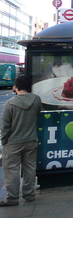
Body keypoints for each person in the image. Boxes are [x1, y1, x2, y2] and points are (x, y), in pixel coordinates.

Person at [0, 75, 43, 206]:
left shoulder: (10, 103)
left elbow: (5, 126)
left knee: (12, 169)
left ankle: (12, 198)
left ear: (16, 86)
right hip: (31, 140)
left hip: (13, 142)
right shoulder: (36, 100)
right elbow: (38, 113)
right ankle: (29, 194)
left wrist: (4, 141)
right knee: (30, 168)